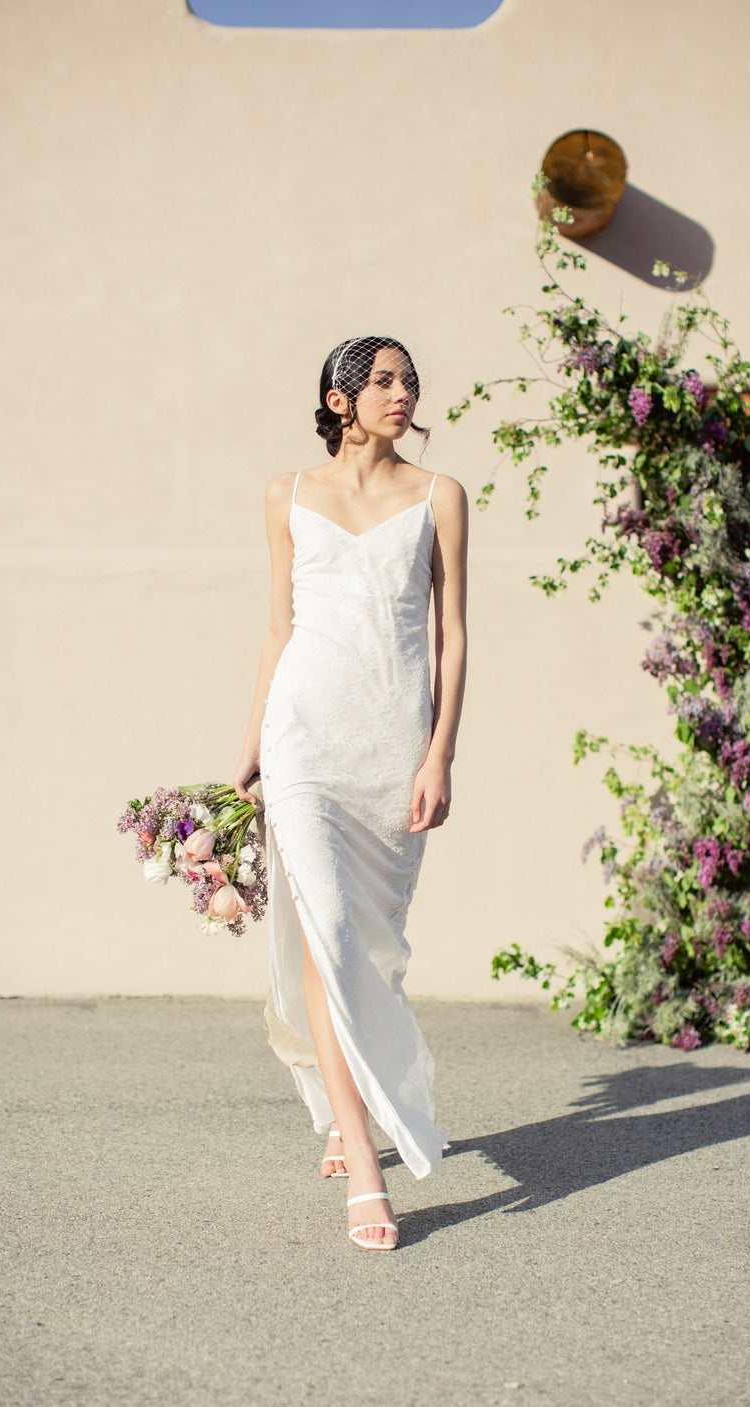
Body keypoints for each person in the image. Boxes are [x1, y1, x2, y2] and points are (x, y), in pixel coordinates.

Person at [232, 335, 468, 1251]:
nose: (401, 392)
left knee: (371, 945)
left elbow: (451, 637)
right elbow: (279, 626)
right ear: (337, 397)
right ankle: (365, 1159)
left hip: (392, 740)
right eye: (381, 379)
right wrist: (249, 743)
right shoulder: (286, 495)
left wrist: (439, 753)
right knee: (323, 929)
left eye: (409, 379)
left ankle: (345, 1097)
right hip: (303, 736)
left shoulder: (438, 495)